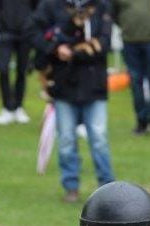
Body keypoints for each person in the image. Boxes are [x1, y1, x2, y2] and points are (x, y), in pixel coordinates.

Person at [31, 0, 115, 202]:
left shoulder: (100, 5)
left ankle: (108, 188)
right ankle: (71, 187)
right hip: (63, 84)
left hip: (94, 83)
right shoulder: (50, 5)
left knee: (99, 138)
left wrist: (73, 52)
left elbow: (104, 42)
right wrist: (56, 48)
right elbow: (34, 33)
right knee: (66, 140)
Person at [112, 0, 150, 134]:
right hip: (130, 42)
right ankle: (141, 121)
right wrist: (126, 25)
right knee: (135, 82)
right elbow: (113, 12)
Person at [0, 0, 35, 124]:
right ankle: (7, 107)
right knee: (3, 69)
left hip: (25, 34)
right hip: (6, 33)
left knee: (22, 71)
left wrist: (30, 26)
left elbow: (37, 8)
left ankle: (18, 107)